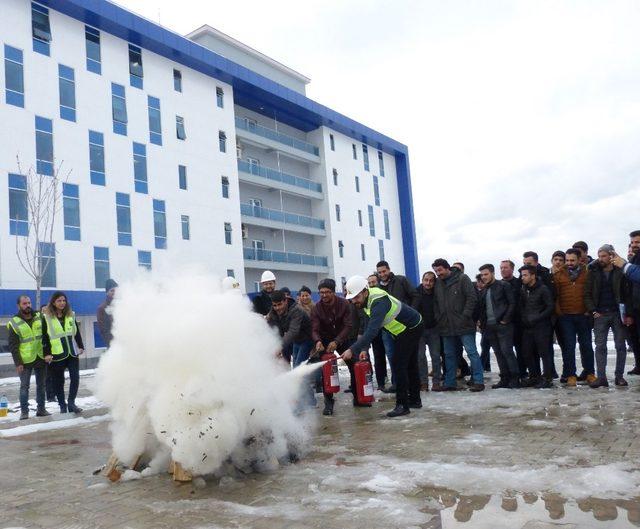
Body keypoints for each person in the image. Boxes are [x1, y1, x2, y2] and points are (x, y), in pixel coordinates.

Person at [343, 275, 423, 417]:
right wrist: (363, 348)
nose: (354, 301)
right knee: (409, 365)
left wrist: (351, 349)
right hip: (402, 330)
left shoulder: (378, 302)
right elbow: (368, 325)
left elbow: (373, 330)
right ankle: (415, 400)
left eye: (356, 297)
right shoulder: (366, 301)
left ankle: (402, 405)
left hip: (410, 328)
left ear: (365, 291)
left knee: (399, 366)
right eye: (352, 298)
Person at [431, 259, 484, 392]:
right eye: (436, 271)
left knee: (471, 353)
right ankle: (450, 382)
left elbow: (471, 298)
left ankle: (478, 381)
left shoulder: (462, 279)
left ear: (447, 268)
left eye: (440, 270)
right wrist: (439, 317)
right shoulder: (438, 283)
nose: (438, 273)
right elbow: (436, 303)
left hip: (464, 325)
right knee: (449, 355)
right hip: (446, 326)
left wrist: (465, 316)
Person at [311, 278, 359, 415]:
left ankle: (358, 397)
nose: (324, 295)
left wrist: (337, 341)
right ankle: (329, 402)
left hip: (343, 338)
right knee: (326, 370)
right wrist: (317, 341)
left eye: (327, 292)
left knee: (354, 365)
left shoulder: (344, 304)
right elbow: (314, 328)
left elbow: (348, 325)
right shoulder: (316, 308)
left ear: (333, 292)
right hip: (325, 340)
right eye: (321, 292)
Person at [585, 245, 629, 387]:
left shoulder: (620, 270)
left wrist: (628, 313)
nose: (601, 259)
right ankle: (601, 377)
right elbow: (587, 294)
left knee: (620, 345)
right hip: (600, 314)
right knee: (600, 346)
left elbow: (627, 292)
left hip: (617, 313)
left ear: (611, 256)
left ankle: (619, 377)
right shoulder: (593, 271)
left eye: (604, 256)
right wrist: (593, 310)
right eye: (599, 256)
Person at [554, 248, 595, 386]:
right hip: (566, 317)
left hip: (583, 315)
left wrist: (589, 311)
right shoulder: (559, 274)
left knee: (587, 346)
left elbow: (591, 293)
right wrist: (559, 312)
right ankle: (571, 375)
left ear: (579, 260)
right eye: (567, 260)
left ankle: (590, 373)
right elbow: (556, 296)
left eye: (572, 260)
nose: (569, 263)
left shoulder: (588, 273)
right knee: (569, 347)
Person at [7, 295, 52, 420]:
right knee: (24, 386)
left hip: (40, 356)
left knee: (41, 385)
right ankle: (24, 412)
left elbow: (46, 336)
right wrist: (18, 363)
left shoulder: (39, 317)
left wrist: (48, 353)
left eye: (29, 303)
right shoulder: (14, 322)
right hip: (25, 360)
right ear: (19, 306)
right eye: (24, 303)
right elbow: (13, 346)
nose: (27, 305)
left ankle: (41, 409)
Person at [477, 264, 519, 388]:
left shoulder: (503, 285)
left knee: (507, 351)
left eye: (486, 274)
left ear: (492, 273)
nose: (484, 277)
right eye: (482, 275)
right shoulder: (484, 290)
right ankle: (504, 378)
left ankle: (515, 379)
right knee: (498, 353)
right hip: (489, 327)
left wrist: (505, 319)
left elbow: (512, 303)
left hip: (503, 325)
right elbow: (482, 309)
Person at [42, 292, 85, 413]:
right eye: (59, 301)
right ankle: (62, 405)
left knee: (75, 378)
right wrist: (47, 353)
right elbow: (44, 336)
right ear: (54, 302)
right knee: (58, 381)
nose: (62, 303)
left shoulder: (71, 315)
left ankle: (71, 403)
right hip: (57, 354)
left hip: (72, 352)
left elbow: (76, 332)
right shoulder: (47, 317)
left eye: (64, 301)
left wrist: (80, 346)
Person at [518, 265, 555, 388]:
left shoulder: (543, 289)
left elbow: (550, 307)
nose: (522, 278)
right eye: (522, 275)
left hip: (542, 326)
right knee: (527, 352)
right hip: (528, 326)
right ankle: (534, 376)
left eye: (525, 275)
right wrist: (524, 318)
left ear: (533, 276)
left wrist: (537, 318)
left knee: (544, 353)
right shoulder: (523, 289)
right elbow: (522, 306)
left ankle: (547, 378)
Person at [267, 290, 312, 368]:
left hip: (307, 339)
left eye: (279, 304)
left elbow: (293, 331)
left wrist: (279, 346)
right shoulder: (273, 312)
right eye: (274, 305)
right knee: (295, 366)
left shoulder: (297, 310)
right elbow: (273, 330)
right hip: (296, 341)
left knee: (298, 368)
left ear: (285, 301)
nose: (277, 308)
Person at [413, 272, 442, 390]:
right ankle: (423, 382)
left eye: (431, 280)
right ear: (422, 280)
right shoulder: (416, 293)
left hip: (434, 328)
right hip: (419, 329)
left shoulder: (437, 293)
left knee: (435, 356)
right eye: (426, 280)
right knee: (420, 356)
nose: (428, 283)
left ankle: (436, 382)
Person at [368, 273, 395, 392]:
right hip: (375, 333)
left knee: (392, 356)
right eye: (369, 283)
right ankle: (381, 383)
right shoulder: (367, 298)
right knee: (378, 358)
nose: (371, 285)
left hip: (387, 331)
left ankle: (396, 382)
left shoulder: (384, 296)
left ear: (378, 282)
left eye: (373, 282)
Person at [96, 278, 117, 348]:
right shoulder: (102, 308)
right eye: (112, 290)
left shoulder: (122, 304)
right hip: (113, 344)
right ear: (107, 292)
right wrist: (112, 343)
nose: (114, 292)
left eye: (116, 290)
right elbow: (103, 330)